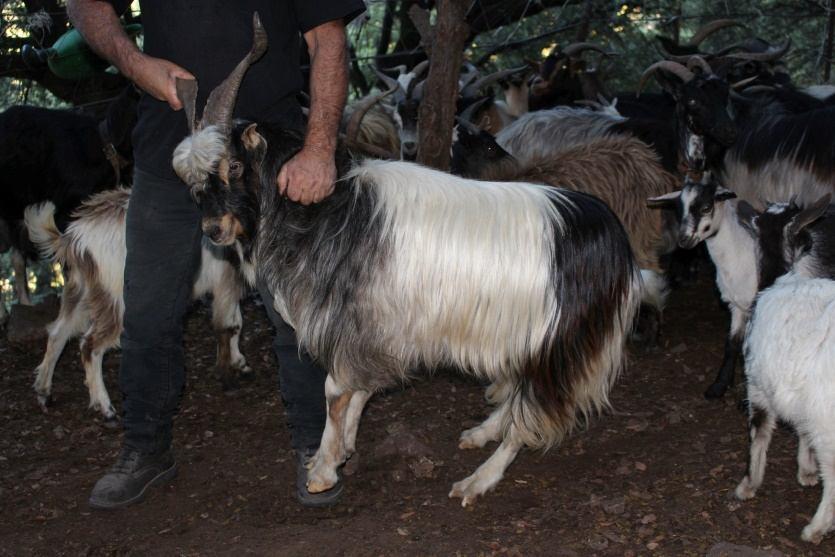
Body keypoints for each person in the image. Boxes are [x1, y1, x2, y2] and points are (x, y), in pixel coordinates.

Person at [66, 0, 365, 509]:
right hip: (168, 158)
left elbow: (328, 37)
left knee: (296, 313)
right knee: (146, 314)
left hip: (268, 162)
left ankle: (320, 445)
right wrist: (134, 62)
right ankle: (146, 450)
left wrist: (318, 149)